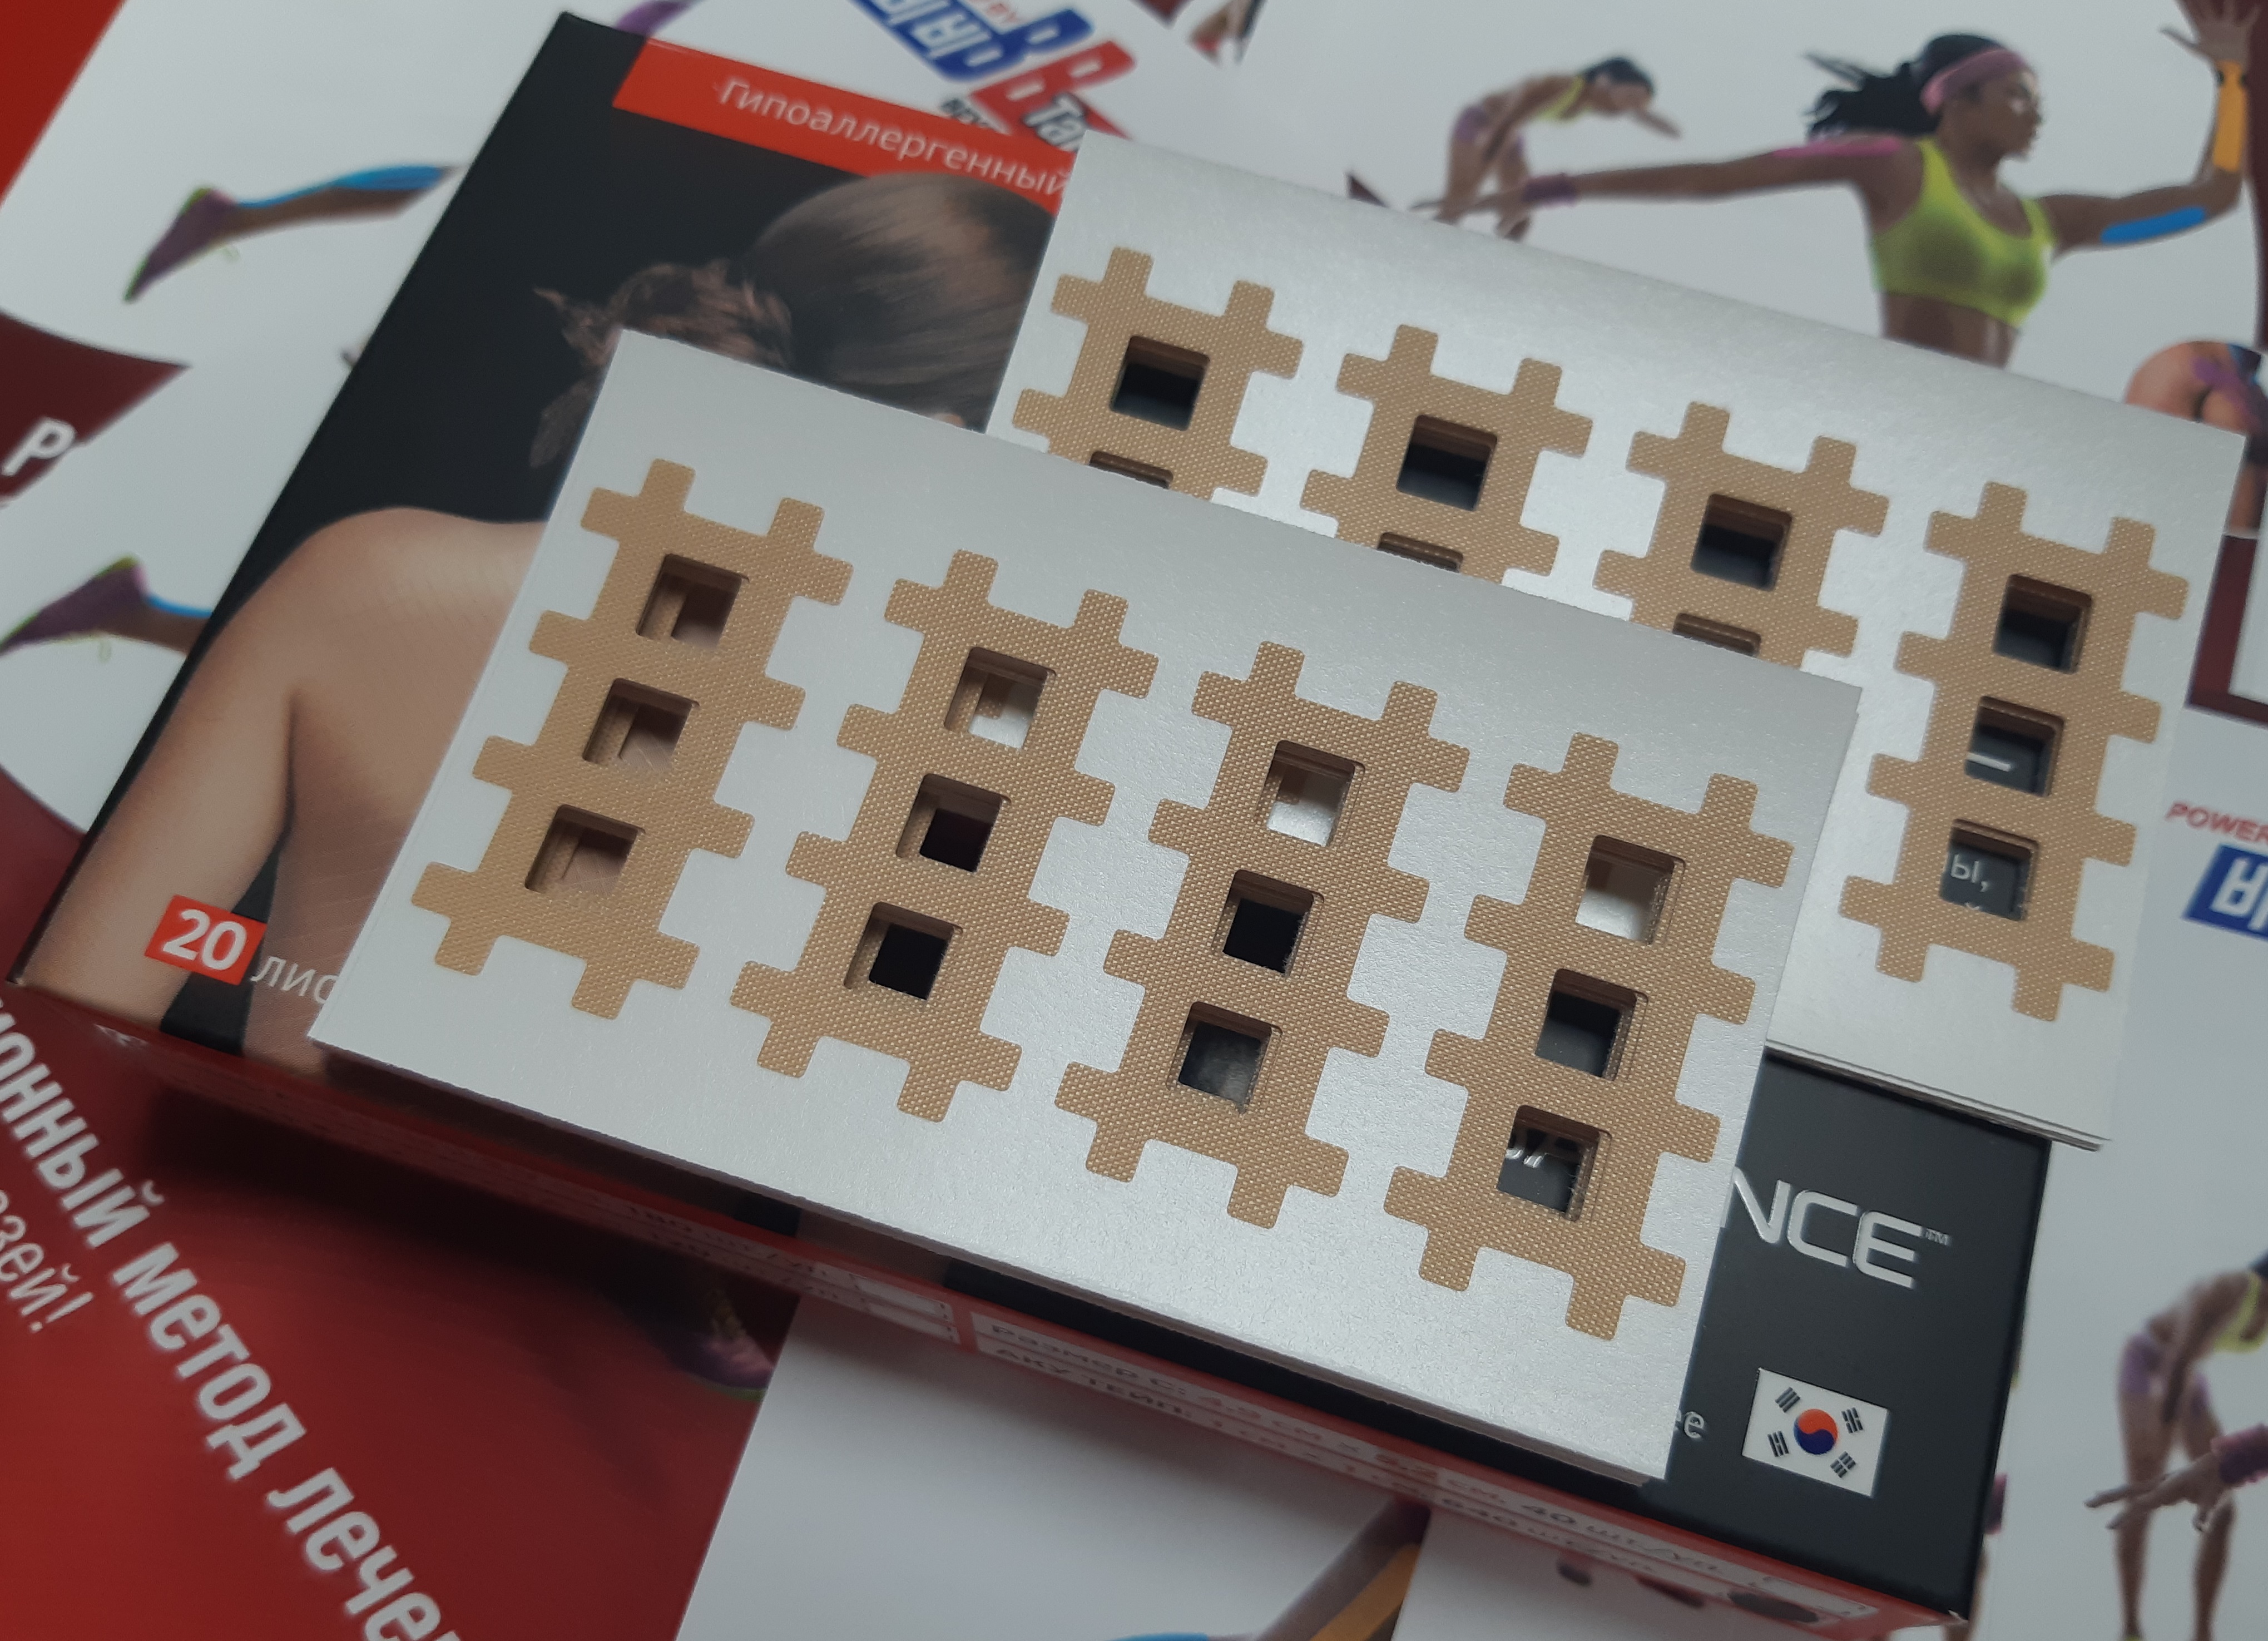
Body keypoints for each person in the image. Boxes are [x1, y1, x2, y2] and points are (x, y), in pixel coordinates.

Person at [26, 171, 1050, 1075]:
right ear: (946, 447)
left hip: (201, 1208)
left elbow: (66, 1018)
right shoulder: (948, 758)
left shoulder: (374, 578)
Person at [1510, 2, 2255, 367]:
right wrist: (1552, 188)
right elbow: (1716, 178)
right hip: (1905, 399)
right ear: (1957, 100)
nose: (2036, 115)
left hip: (1992, 420)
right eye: (2017, 96)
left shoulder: (2046, 221)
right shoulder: (1895, 163)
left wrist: (2231, 80)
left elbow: (2209, 199)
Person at [2092, 1255, 2268, 1641]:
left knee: (2223, 1509)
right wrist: (2166, 1433)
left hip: (2187, 1378)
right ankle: (2131, 1629)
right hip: (2151, 1364)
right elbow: (2179, 1360)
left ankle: (2203, 1633)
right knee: (2145, 1490)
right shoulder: (2231, 1288)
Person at [1423, 58, 1677, 240]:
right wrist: (1483, 167)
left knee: (1521, 211)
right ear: (1604, 81)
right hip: (1483, 124)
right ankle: (1428, 246)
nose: (1630, 107)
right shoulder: (1562, 86)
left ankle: (1499, 264)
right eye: (1630, 97)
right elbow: (1510, 121)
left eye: (1639, 103)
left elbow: (1646, 116)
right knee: (1461, 199)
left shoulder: (1594, 100)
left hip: (1510, 135)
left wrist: (1654, 119)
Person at [2125, 339, 2268, 536]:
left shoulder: (2248, 380)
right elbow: (2144, 476)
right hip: (2187, 541)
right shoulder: (2183, 364)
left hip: (2240, 545)